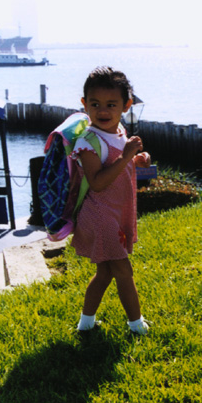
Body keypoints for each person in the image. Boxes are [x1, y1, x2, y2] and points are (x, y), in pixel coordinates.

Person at [72, 66, 152, 335]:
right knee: (123, 271)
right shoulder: (88, 141)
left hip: (116, 212)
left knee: (105, 273)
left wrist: (137, 161)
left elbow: (121, 164)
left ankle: (85, 324)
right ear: (84, 104)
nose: (103, 111)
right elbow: (97, 182)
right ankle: (136, 325)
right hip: (99, 215)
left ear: (126, 105)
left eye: (111, 104)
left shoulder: (118, 131)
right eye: (95, 104)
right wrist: (127, 157)